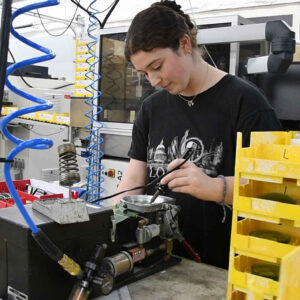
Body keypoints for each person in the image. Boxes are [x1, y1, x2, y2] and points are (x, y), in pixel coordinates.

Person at [114, 0, 282, 269]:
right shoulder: (151, 108)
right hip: (157, 261)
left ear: (184, 44)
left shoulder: (246, 103)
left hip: (220, 268)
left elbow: (277, 189)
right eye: (144, 73)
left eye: (157, 67)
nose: (154, 81)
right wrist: (109, 218)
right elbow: (135, 176)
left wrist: (216, 188)